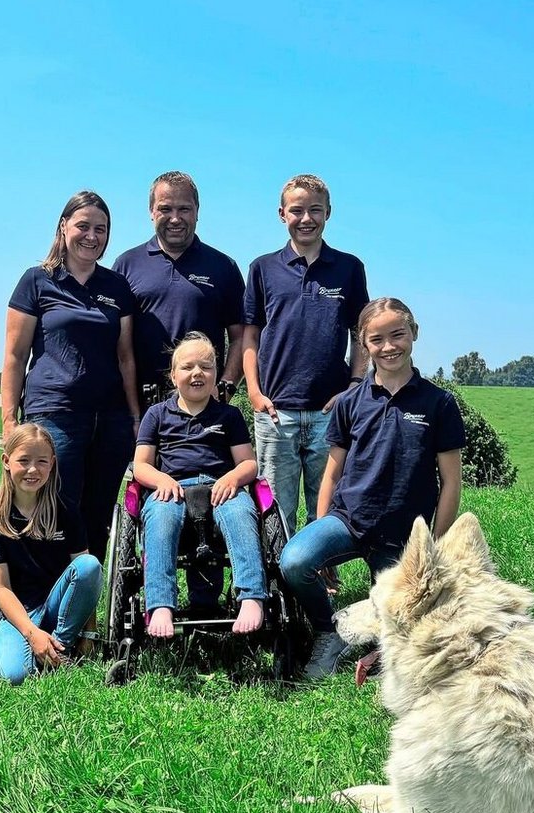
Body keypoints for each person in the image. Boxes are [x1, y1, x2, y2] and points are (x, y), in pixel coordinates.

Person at [280, 297, 465, 679]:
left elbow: (450, 482)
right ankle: (329, 631)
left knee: (406, 617)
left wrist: (436, 545)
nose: (388, 346)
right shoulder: (350, 402)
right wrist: (321, 529)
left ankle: (381, 647)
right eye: (376, 339)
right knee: (294, 561)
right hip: (348, 521)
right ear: (364, 346)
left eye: (397, 335)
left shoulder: (439, 403)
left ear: (414, 334)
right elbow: (332, 474)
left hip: (403, 535)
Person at [112, 170, 247, 610]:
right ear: (151, 211)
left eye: (184, 208)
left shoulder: (222, 267)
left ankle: (205, 603)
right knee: (158, 499)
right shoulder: (127, 265)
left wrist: (227, 385)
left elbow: (240, 336)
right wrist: (132, 408)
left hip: (207, 402)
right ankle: (156, 596)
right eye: (165, 208)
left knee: (209, 490)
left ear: (197, 211)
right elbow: (121, 345)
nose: (175, 217)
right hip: (148, 404)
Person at [1, 191, 140, 560]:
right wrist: (8, 421)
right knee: (56, 511)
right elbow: (15, 356)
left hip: (109, 420)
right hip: (54, 416)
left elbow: (126, 357)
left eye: (101, 229)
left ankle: (88, 590)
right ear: (63, 227)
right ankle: (46, 590)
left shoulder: (116, 287)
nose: (91, 236)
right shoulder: (36, 281)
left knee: (99, 514)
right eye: (83, 226)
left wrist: (134, 416)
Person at [241, 174, 369, 537]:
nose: (306, 218)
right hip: (275, 410)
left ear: (329, 212)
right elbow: (250, 335)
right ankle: (280, 571)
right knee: (275, 512)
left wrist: (354, 387)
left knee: (327, 508)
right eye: (297, 210)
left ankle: (321, 569)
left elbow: (361, 333)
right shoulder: (263, 268)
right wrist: (254, 392)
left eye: (315, 209)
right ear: (282, 214)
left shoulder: (349, 268)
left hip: (330, 411)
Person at [133, 333, 267, 637]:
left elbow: (248, 463)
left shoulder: (229, 415)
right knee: (160, 517)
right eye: (188, 367)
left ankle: (251, 597)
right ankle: (161, 604)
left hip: (221, 486)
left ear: (216, 374)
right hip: (172, 488)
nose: (197, 373)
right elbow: (141, 465)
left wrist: (233, 478)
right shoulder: (156, 415)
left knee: (240, 514)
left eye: (206, 367)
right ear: (173, 375)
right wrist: (161, 479)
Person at [0, 423, 103, 685]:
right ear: (6, 461)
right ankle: (41, 648)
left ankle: (61, 646)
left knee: (90, 564)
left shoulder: (66, 511)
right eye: (24, 460)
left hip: (58, 606)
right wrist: (31, 633)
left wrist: (89, 633)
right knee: (12, 676)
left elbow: (86, 576)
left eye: (42, 461)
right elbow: (1, 588)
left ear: (52, 464)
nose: (33, 469)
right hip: (17, 614)